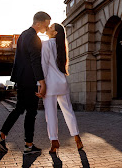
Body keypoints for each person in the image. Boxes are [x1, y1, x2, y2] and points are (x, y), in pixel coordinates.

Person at [0, 11, 50, 155]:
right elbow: (35, 62)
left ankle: (1, 136)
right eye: (45, 24)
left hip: (21, 79)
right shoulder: (34, 38)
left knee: (19, 109)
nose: (46, 28)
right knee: (31, 112)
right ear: (38, 22)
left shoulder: (23, 35)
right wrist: (42, 82)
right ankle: (28, 146)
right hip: (29, 80)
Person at [41, 23, 83, 153]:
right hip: (62, 83)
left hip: (50, 85)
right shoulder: (62, 48)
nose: (48, 28)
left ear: (55, 33)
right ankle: (77, 138)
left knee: (51, 114)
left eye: (51, 27)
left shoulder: (45, 45)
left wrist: (40, 85)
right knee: (68, 111)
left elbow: (44, 66)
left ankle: (54, 142)